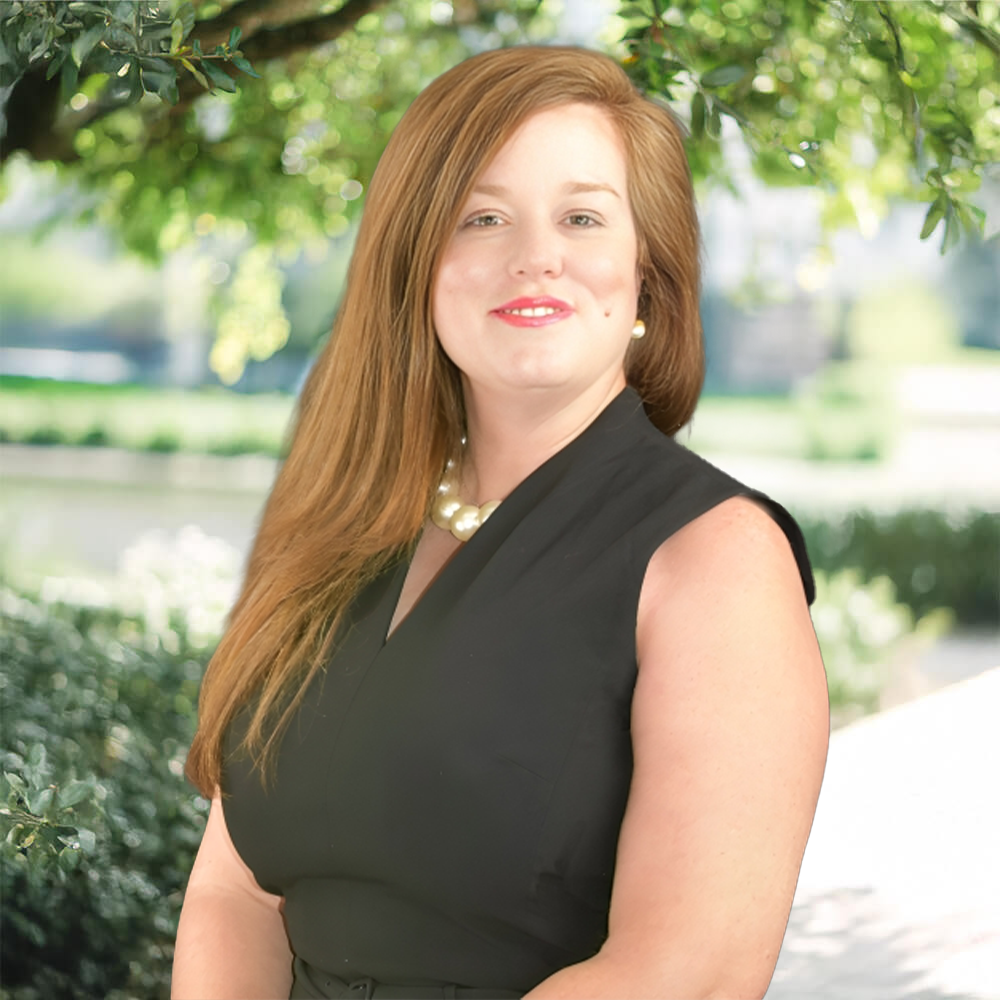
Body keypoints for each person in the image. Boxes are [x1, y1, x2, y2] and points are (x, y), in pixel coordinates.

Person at [172, 45, 829, 1000]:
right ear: (419, 265)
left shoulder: (717, 560)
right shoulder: (335, 531)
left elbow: (689, 971)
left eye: (583, 216)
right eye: (483, 217)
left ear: (646, 275)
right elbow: (232, 893)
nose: (536, 256)